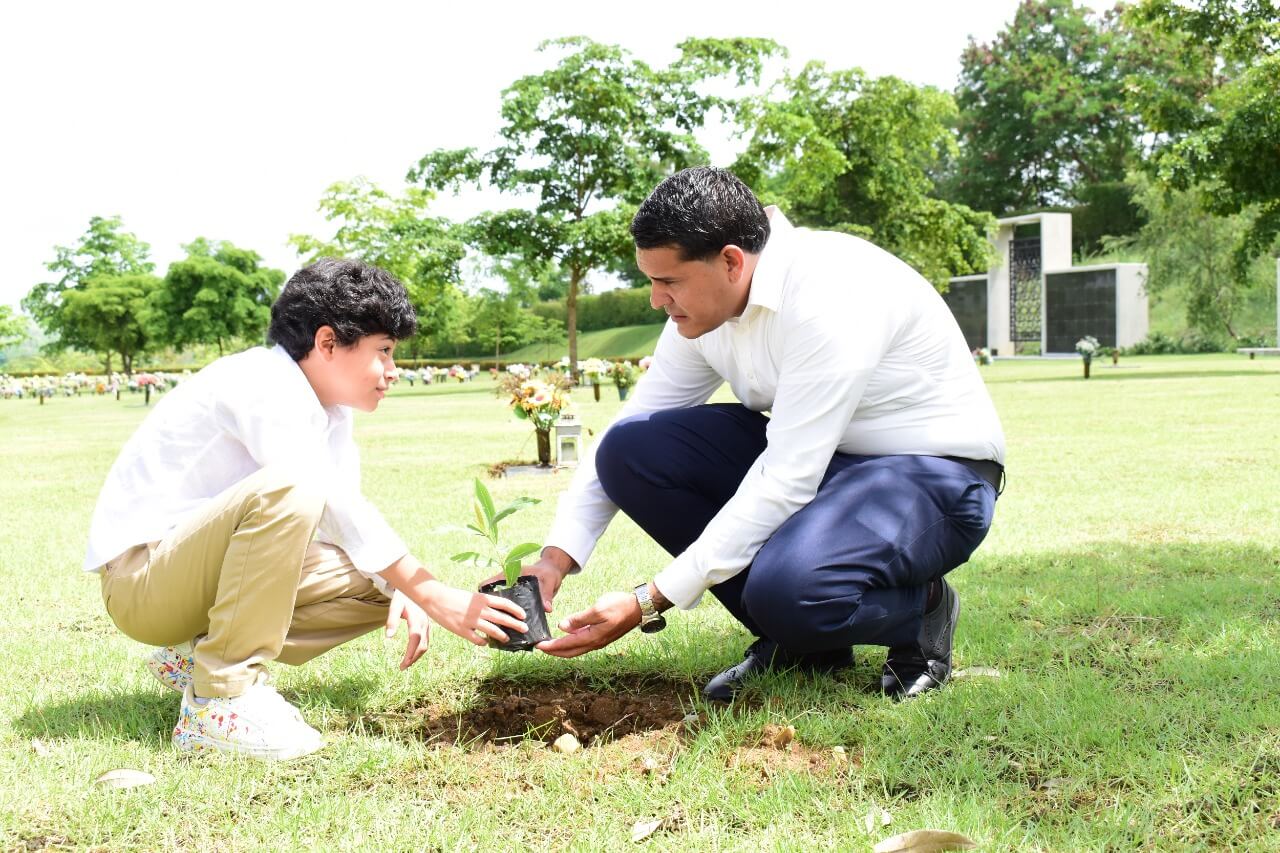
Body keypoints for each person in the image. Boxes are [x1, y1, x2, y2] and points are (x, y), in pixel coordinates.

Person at [522, 167, 1005, 701]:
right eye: (651, 281)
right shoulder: (702, 312)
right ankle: (805, 645)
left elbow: (786, 478)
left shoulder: (830, 292)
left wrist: (648, 599)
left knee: (790, 590)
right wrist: (555, 556)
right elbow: (634, 421)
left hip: (932, 475)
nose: (656, 300)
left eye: (669, 282)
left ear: (730, 260)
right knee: (631, 450)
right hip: (828, 468)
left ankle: (921, 611)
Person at [84, 258, 528, 760]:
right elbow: (322, 498)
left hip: (192, 575)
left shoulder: (328, 410)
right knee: (300, 490)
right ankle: (218, 700)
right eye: (383, 351)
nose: (392, 371)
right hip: (144, 581)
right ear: (327, 342)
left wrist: (407, 588)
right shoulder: (260, 382)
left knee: (382, 586)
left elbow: (347, 526)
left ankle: (194, 656)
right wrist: (431, 591)